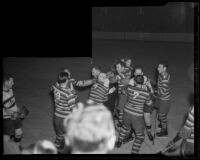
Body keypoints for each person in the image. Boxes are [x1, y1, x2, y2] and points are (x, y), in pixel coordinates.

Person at [51, 70, 96, 150]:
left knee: (59, 133)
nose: (70, 74)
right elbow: (73, 109)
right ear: (67, 78)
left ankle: (58, 143)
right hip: (65, 117)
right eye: (68, 74)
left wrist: (93, 80)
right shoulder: (68, 93)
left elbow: (82, 83)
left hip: (57, 116)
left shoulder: (55, 87)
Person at [115, 74, 153, 154]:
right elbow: (149, 104)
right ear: (143, 82)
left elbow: (123, 91)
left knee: (125, 127)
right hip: (137, 116)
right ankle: (134, 152)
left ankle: (119, 142)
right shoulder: (146, 93)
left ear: (135, 81)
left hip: (127, 112)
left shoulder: (129, 88)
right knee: (140, 136)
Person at [3, 74, 23, 148]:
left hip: (14, 115)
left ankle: (17, 148)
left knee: (19, 133)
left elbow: (13, 103)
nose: (13, 83)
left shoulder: (10, 90)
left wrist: (18, 110)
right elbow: (6, 110)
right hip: (7, 119)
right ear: (6, 82)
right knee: (6, 137)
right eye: (11, 81)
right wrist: (16, 113)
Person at [156, 61, 171, 137]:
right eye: (158, 67)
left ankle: (164, 131)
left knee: (161, 116)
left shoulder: (165, 79)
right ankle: (162, 124)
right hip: (162, 98)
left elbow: (161, 92)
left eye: (159, 67)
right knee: (161, 114)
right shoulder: (161, 74)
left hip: (164, 100)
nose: (157, 68)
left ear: (164, 69)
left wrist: (153, 91)